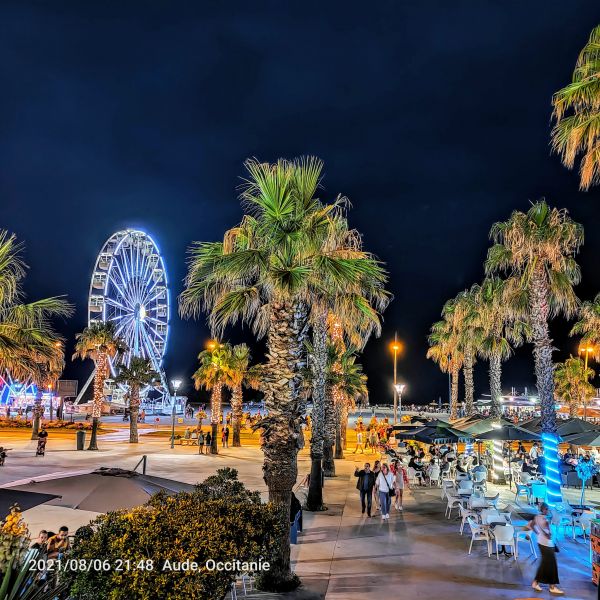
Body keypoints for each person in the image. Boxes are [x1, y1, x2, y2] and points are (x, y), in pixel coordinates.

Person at [527, 503, 564, 595]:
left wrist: (538, 533)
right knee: (551, 565)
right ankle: (552, 586)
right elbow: (547, 532)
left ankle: (536, 582)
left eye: (548, 509)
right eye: (546, 509)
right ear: (542, 509)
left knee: (545, 564)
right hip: (546, 544)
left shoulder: (538, 517)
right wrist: (543, 533)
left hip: (544, 543)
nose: (547, 511)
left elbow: (531, 525)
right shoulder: (543, 518)